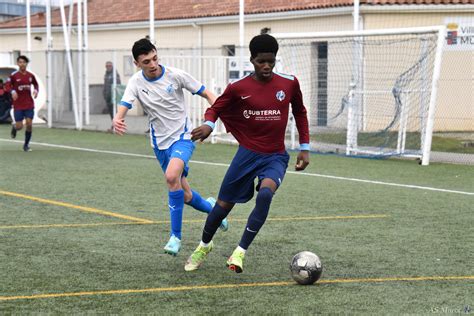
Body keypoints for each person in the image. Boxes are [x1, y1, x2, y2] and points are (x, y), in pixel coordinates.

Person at [184, 34, 310, 273]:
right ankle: (204, 246)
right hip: (247, 155)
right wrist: (208, 126)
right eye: (261, 61)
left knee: (265, 195)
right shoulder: (239, 88)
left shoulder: (289, 83)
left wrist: (305, 147)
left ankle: (239, 252)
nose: (267, 66)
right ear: (252, 60)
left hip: (275, 156)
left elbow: (300, 112)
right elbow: (215, 108)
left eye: (271, 61)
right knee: (221, 207)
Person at [113, 38, 228, 256]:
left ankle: (175, 237)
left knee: (171, 176)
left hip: (183, 137)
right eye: (146, 61)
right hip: (159, 143)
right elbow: (125, 103)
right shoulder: (136, 82)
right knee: (184, 194)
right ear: (137, 64)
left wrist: (219, 113)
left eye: (155, 58)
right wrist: (118, 118)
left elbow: (206, 93)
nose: (153, 64)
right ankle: (214, 210)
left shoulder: (175, 75)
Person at [6, 55, 39, 152]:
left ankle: (26, 145)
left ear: (26, 64)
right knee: (20, 126)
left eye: (24, 62)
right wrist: (12, 91)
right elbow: (7, 86)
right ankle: (15, 127)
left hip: (29, 104)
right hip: (18, 105)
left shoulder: (30, 75)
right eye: (20, 62)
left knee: (29, 124)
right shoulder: (13, 75)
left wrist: (36, 91)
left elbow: (36, 84)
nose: (22, 64)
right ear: (17, 63)